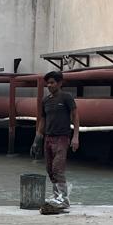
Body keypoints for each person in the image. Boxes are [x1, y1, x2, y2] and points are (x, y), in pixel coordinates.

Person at [31, 70, 79, 208]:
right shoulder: (45, 100)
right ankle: (57, 196)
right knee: (50, 169)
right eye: (48, 83)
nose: (49, 85)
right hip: (48, 138)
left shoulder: (66, 97)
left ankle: (64, 199)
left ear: (60, 83)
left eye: (52, 82)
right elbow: (42, 120)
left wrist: (75, 136)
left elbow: (75, 115)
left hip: (62, 138)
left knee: (58, 168)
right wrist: (37, 140)